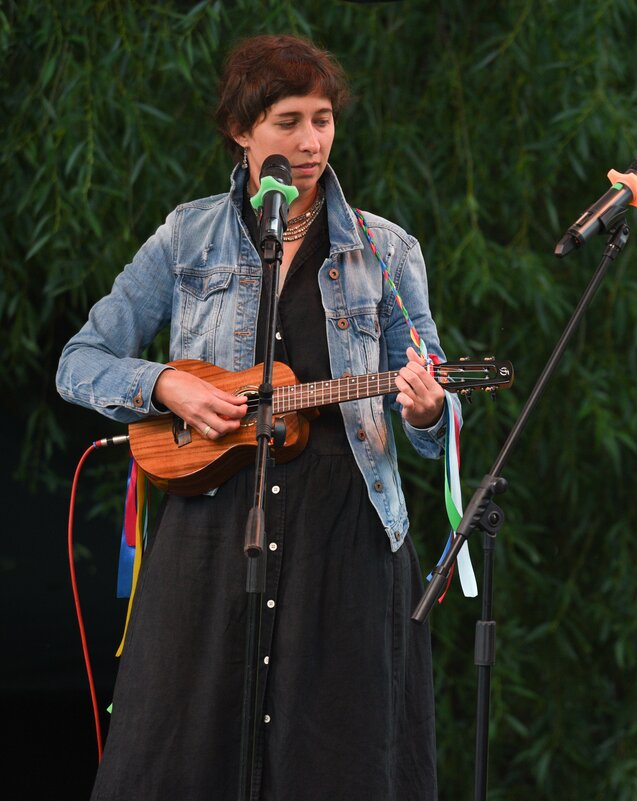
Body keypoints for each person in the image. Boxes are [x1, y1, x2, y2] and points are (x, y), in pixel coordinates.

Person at [56, 34, 454, 801]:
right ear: (242, 130)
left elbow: (432, 405)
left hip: (345, 539)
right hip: (211, 532)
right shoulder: (188, 237)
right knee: (181, 756)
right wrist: (166, 383)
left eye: (322, 120)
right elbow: (82, 360)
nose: (310, 142)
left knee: (336, 761)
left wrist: (431, 409)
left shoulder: (385, 249)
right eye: (287, 121)